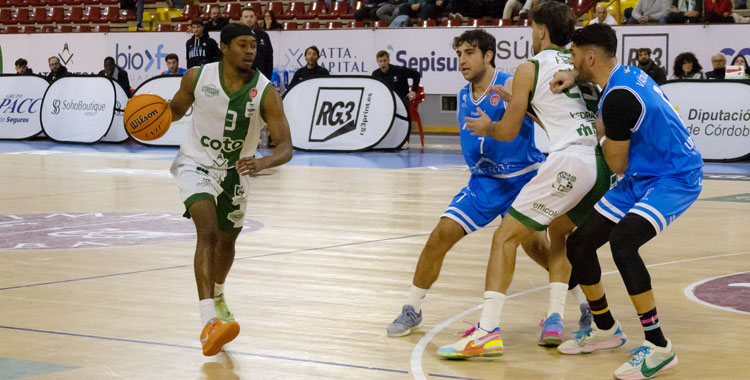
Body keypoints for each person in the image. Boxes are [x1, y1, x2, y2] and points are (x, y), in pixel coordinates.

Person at [386, 29, 592, 342]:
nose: (462, 60)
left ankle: (585, 303)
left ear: (488, 55)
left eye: (469, 53)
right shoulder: (462, 95)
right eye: (459, 54)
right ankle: (412, 308)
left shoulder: (512, 83)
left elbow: (543, 118)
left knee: (539, 249)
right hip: (483, 183)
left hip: (523, 178)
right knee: (439, 236)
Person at [442, 2, 613, 358]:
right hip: (600, 163)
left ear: (540, 30)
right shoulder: (578, 63)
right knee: (561, 235)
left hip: (569, 160)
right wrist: (522, 100)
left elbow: (506, 132)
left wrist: (490, 126)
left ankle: (487, 331)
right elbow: (564, 112)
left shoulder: (529, 67)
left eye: (531, 28)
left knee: (505, 238)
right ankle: (575, 318)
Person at [549, 23, 703, 380]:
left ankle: (659, 346)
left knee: (623, 242)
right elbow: (598, 82)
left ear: (590, 56)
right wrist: (576, 76)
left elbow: (616, 162)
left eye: (574, 55)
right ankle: (605, 330)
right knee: (580, 243)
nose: (570, 61)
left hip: (675, 175)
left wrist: (595, 132)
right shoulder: (627, 72)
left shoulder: (617, 99)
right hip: (645, 172)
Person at [168, 23, 293, 357]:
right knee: (206, 231)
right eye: (242, 44)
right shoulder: (197, 78)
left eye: (253, 45)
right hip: (196, 163)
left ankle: (219, 294)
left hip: (236, 172)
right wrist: (148, 113)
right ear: (223, 47)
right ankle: (208, 320)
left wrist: (263, 163)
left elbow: (286, 147)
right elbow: (173, 111)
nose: (250, 51)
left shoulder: (266, 92)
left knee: (227, 241)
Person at [240, 7, 273, 79]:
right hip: (241, 78)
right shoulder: (236, 36)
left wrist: (268, 77)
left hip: (261, 77)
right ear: (241, 19)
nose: (249, 19)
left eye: (251, 16)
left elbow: (269, 58)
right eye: (246, 17)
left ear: (255, 18)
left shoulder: (264, 36)